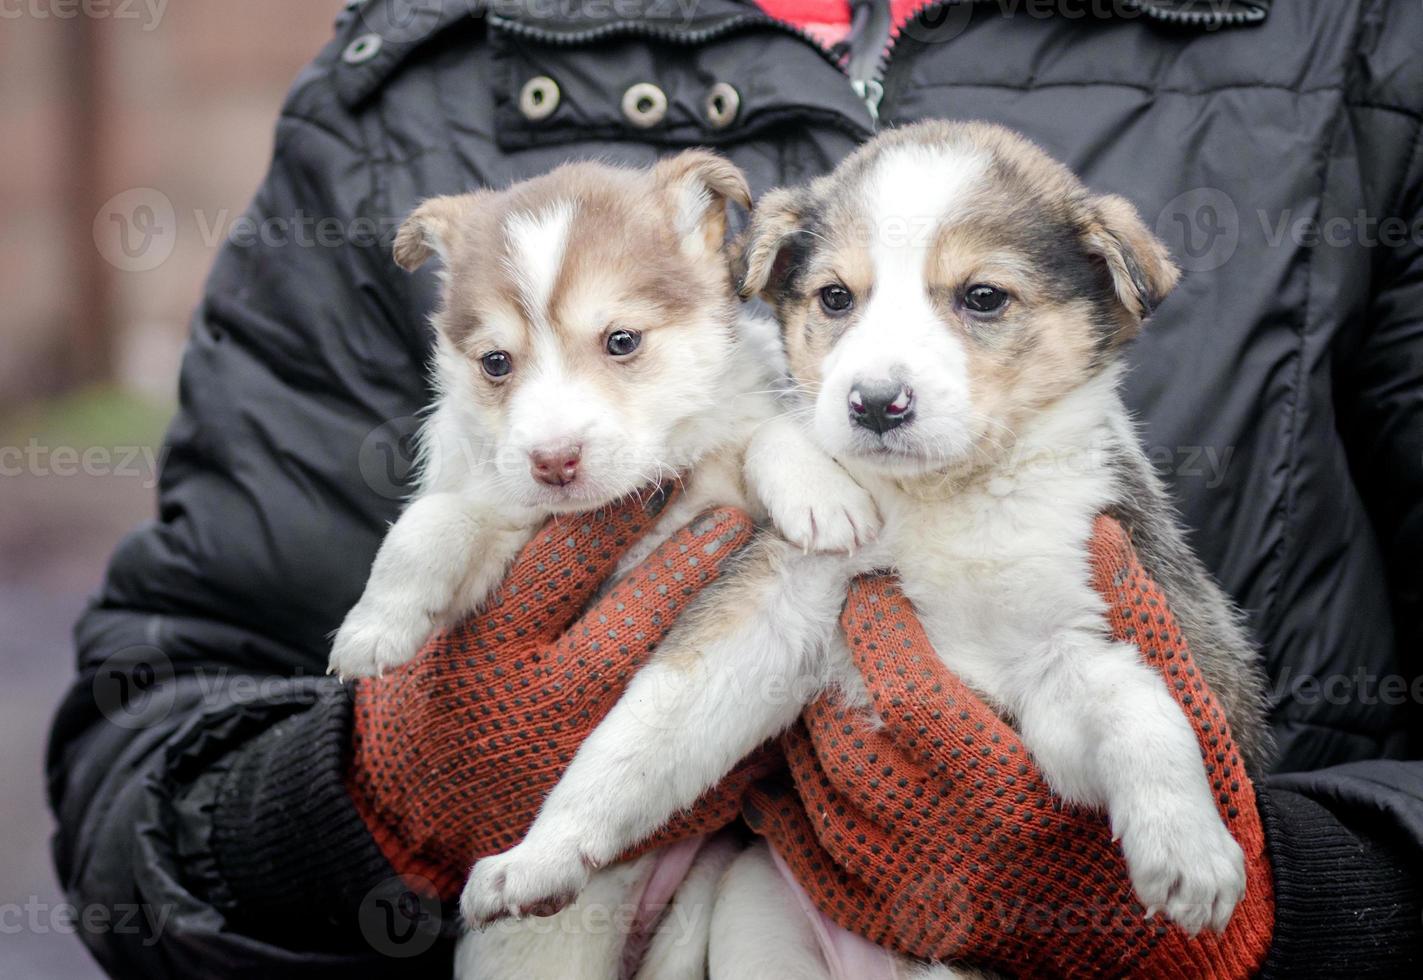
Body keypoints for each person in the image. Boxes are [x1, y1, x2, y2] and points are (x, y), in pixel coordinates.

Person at [46, 0, 1423, 976]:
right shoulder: (400, 82)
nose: (879, 379)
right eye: (831, 301)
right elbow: (143, 784)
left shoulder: (1357, 42)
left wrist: (1284, 911)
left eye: (983, 300)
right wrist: (378, 788)